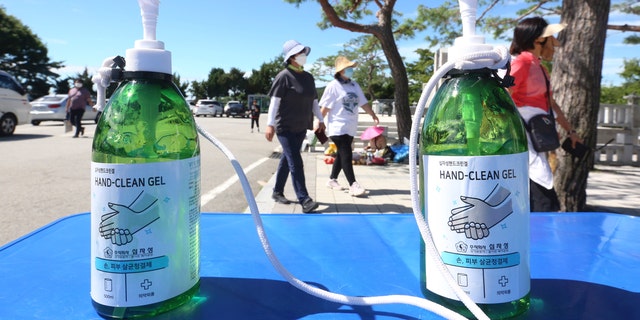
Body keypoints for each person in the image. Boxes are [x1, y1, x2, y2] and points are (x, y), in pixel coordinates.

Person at [509, 17, 582, 212]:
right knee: (541, 195)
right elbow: (503, 98)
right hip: (524, 137)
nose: (555, 44)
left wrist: (571, 131)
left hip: (539, 136)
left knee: (541, 190)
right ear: (538, 40)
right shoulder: (521, 64)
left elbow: (551, 104)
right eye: (551, 38)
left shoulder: (540, 67)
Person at [265, 40, 325, 213]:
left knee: (288, 159)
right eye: (300, 54)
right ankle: (304, 199)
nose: (303, 56)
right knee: (296, 162)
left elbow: (314, 101)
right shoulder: (283, 76)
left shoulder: (308, 77)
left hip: (301, 126)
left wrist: (320, 119)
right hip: (285, 127)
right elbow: (274, 103)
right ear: (291, 58)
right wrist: (270, 125)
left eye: (303, 53)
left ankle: (277, 191)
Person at [319, 56, 379, 196]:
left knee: (342, 153)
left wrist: (372, 115)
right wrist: (319, 122)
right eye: (348, 68)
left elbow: (363, 102)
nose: (351, 70)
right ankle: (353, 184)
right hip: (337, 126)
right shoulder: (333, 86)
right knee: (346, 152)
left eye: (351, 68)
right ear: (340, 71)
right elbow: (325, 107)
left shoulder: (354, 85)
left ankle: (332, 179)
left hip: (350, 126)